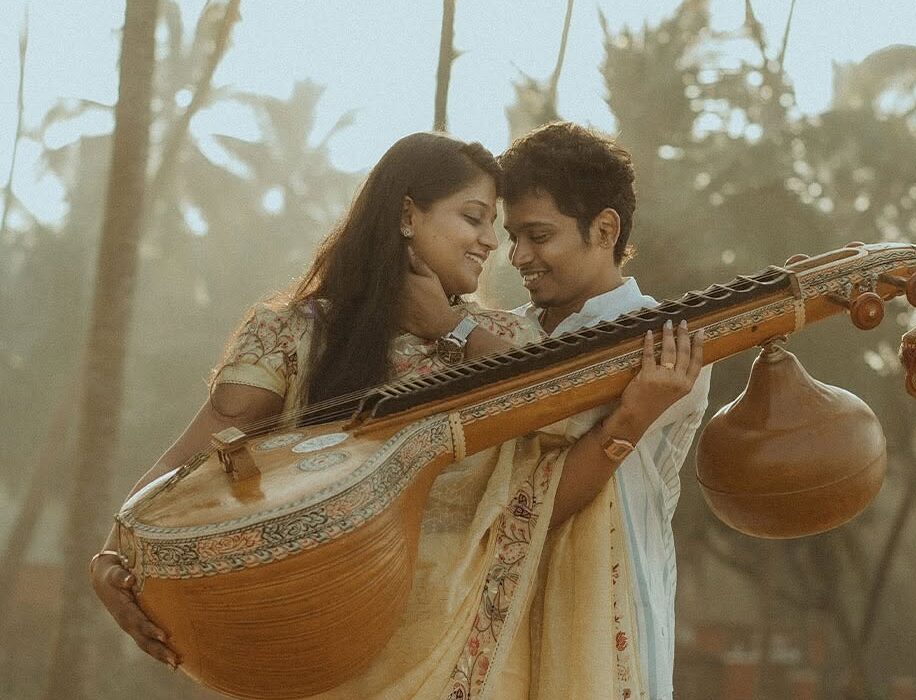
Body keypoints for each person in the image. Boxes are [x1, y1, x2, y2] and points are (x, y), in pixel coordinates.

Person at [89, 131, 704, 698]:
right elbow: (191, 461)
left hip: (468, 655)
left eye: (506, 229)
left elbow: (543, 488)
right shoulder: (297, 331)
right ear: (408, 215)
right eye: (475, 219)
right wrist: (119, 548)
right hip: (327, 646)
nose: (497, 247)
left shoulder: (503, 340)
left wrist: (458, 332)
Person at [498, 121, 712, 700]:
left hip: (608, 625)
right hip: (494, 627)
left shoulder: (673, 346)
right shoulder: (501, 340)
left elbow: (556, 421)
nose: (518, 256)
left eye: (537, 235)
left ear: (605, 228)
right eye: (512, 236)